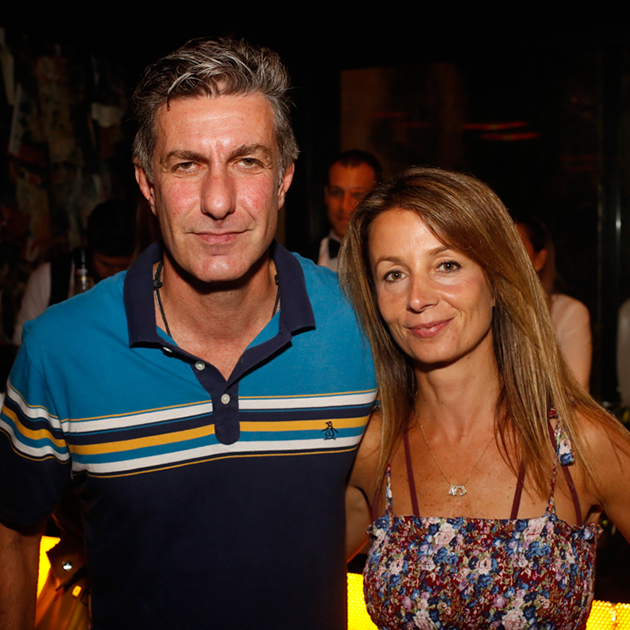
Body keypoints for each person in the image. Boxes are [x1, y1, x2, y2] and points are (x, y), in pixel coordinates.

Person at [0, 37, 376, 630]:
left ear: (283, 180)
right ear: (147, 184)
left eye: (247, 161)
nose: (218, 201)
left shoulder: (364, 326)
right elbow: (13, 529)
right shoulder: (59, 350)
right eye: (186, 165)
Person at [342, 167, 630, 629]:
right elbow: (281, 583)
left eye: (447, 265)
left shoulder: (581, 444)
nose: (418, 298)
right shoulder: (371, 447)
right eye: (394, 274)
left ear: (496, 280)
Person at [12, 199, 136, 345]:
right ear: (86, 245)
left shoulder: (146, 277)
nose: (115, 273)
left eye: (124, 265)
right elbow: (23, 342)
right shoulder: (49, 277)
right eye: (105, 264)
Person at [515, 214, 592, 390]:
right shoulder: (485, 312)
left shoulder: (568, 312)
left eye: (517, 248)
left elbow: (576, 391)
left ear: (540, 259)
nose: (508, 257)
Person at [318, 150, 381, 271]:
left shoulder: (393, 254)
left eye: (357, 195)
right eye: (336, 193)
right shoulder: (297, 259)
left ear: (376, 198)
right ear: (326, 195)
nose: (344, 206)